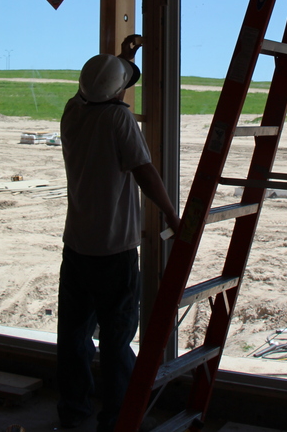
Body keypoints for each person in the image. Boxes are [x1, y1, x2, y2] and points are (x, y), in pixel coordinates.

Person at [56, 35, 180, 432]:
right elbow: (143, 170)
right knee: (117, 337)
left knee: (74, 336)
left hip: (77, 244)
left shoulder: (72, 112)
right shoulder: (119, 119)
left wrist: (124, 60)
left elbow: (99, 90)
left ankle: (74, 411)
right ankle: (119, 419)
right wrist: (171, 214)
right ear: (117, 92)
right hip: (115, 249)